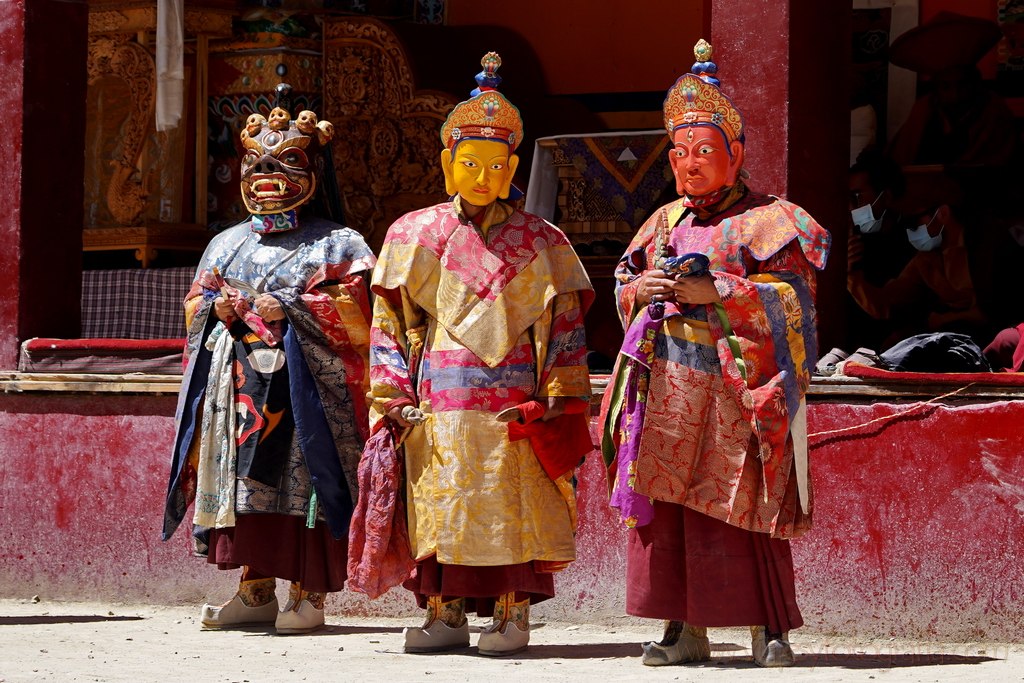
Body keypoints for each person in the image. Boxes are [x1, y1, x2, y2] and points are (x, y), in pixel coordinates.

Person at [598, 40, 830, 668]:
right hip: (669, 388)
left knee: (744, 505)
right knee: (669, 510)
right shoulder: (663, 221)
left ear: (737, 155)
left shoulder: (772, 221)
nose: (690, 166)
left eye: (705, 152)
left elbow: (797, 306)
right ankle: (683, 629)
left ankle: (767, 628)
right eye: (679, 153)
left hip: (738, 390)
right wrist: (637, 291)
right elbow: (623, 283)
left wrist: (721, 290)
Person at [365, 52, 594, 656]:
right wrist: (392, 395)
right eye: (469, 163)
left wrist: (559, 396)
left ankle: (512, 616)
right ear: (447, 164)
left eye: (496, 165)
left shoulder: (542, 241)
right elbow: (389, 322)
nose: (483, 176)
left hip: (514, 396)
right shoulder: (413, 234)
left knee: (511, 501)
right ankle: (444, 614)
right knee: (442, 505)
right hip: (438, 396)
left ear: (514, 165)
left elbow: (564, 323)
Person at [162, 96, 376, 635]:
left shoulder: (338, 242)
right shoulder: (225, 243)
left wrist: (297, 308)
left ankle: (308, 595)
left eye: (285, 166)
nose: (267, 178)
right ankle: (253, 590)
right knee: (243, 487)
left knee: (304, 484)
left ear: (315, 171)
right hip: (236, 390)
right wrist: (216, 309)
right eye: (255, 166)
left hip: (304, 390)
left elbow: (362, 314)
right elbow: (194, 306)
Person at [847, 202, 988, 345]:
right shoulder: (926, 260)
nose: (911, 231)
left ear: (943, 213)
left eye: (914, 222)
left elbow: (989, 312)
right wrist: (852, 277)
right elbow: (887, 303)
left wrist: (944, 319)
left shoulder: (984, 246)